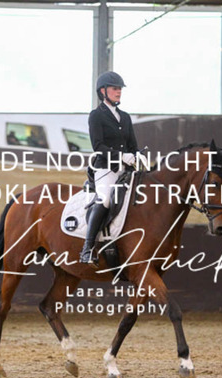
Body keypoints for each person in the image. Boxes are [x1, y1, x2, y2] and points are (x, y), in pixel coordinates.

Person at [79, 71, 147, 264]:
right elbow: (98, 146)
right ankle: (87, 248)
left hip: (126, 170)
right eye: (115, 89)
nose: (119, 92)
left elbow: (132, 145)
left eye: (120, 89)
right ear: (103, 91)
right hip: (106, 169)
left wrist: (138, 154)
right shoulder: (96, 115)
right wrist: (121, 156)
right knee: (106, 199)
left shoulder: (125, 117)